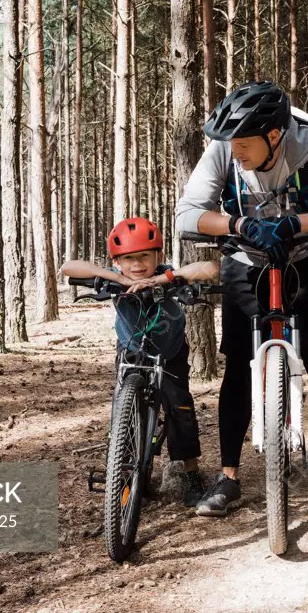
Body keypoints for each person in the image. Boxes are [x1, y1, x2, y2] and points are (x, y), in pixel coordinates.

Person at [175, 80, 308, 520]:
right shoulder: (224, 147)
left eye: (244, 144)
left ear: (274, 136)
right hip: (245, 258)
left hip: (304, 256)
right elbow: (187, 212)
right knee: (238, 366)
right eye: (231, 144)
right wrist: (239, 226)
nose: (234, 152)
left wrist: (296, 223)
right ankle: (229, 477)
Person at [61, 217, 219, 507]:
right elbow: (67, 267)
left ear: (158, 256)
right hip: (132, 350)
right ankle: (122, 471)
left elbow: (209, 269)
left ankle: (191, 472)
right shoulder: (116, 277)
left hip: (170, 353)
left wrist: (162, 280)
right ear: (117, 261)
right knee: (124, 405)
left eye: (145, 256)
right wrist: (118, 279)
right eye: (128, 259)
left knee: (179, 406)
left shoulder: (168, 273)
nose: (137, 264)